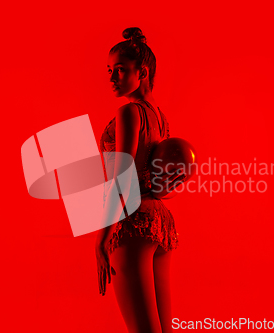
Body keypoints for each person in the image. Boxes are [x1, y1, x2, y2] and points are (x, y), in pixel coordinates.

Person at [95, 27, 181, 333]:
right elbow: (164, 180)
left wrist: (102, 237)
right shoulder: (160, 116)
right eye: (110, 70)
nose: (112, 78)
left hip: (131, 224)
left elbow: (123, 177)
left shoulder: (129, 112)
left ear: (142, 72)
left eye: (120, 70)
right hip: (161, 223)